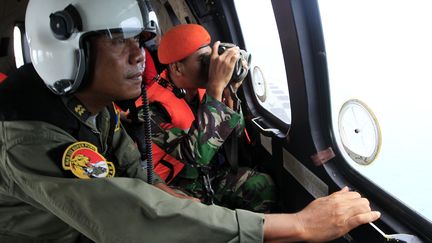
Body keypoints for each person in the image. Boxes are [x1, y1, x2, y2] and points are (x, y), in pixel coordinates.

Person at [0, 0, 380, 242]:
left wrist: (229, 88)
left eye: (141, 41)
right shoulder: (30, 135)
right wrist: (299, 226)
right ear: (68, 51)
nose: (140, 58)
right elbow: (135, 209)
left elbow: (137, 177)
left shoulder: (92, 108)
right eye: (119, 39)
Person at [144, 24, 276, 212]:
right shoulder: (149, 107)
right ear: (177, 68)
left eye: (211, 57)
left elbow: (235, 139)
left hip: (208, 174)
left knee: (261, 185)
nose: (213, 65)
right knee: (199, 215)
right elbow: (195, 156)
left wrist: (230, 92)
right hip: (173, 186)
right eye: (204, 61)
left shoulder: (202, 88)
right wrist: (215, 89)